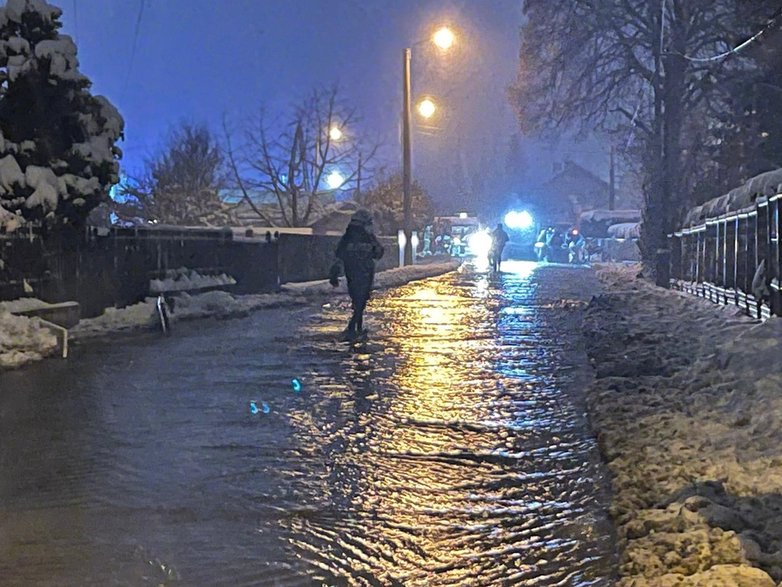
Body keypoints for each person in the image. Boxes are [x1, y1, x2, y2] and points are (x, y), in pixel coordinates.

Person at [329, 209, 384, 341]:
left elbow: (338, 256)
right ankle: (353, 327)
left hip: (353, 273)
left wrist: (334, 274)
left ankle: (356, 327)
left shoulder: (348, 237)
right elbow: (378, 253)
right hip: (364, 273)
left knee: (358, 299)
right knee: (361, 300)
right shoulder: (367, 237)